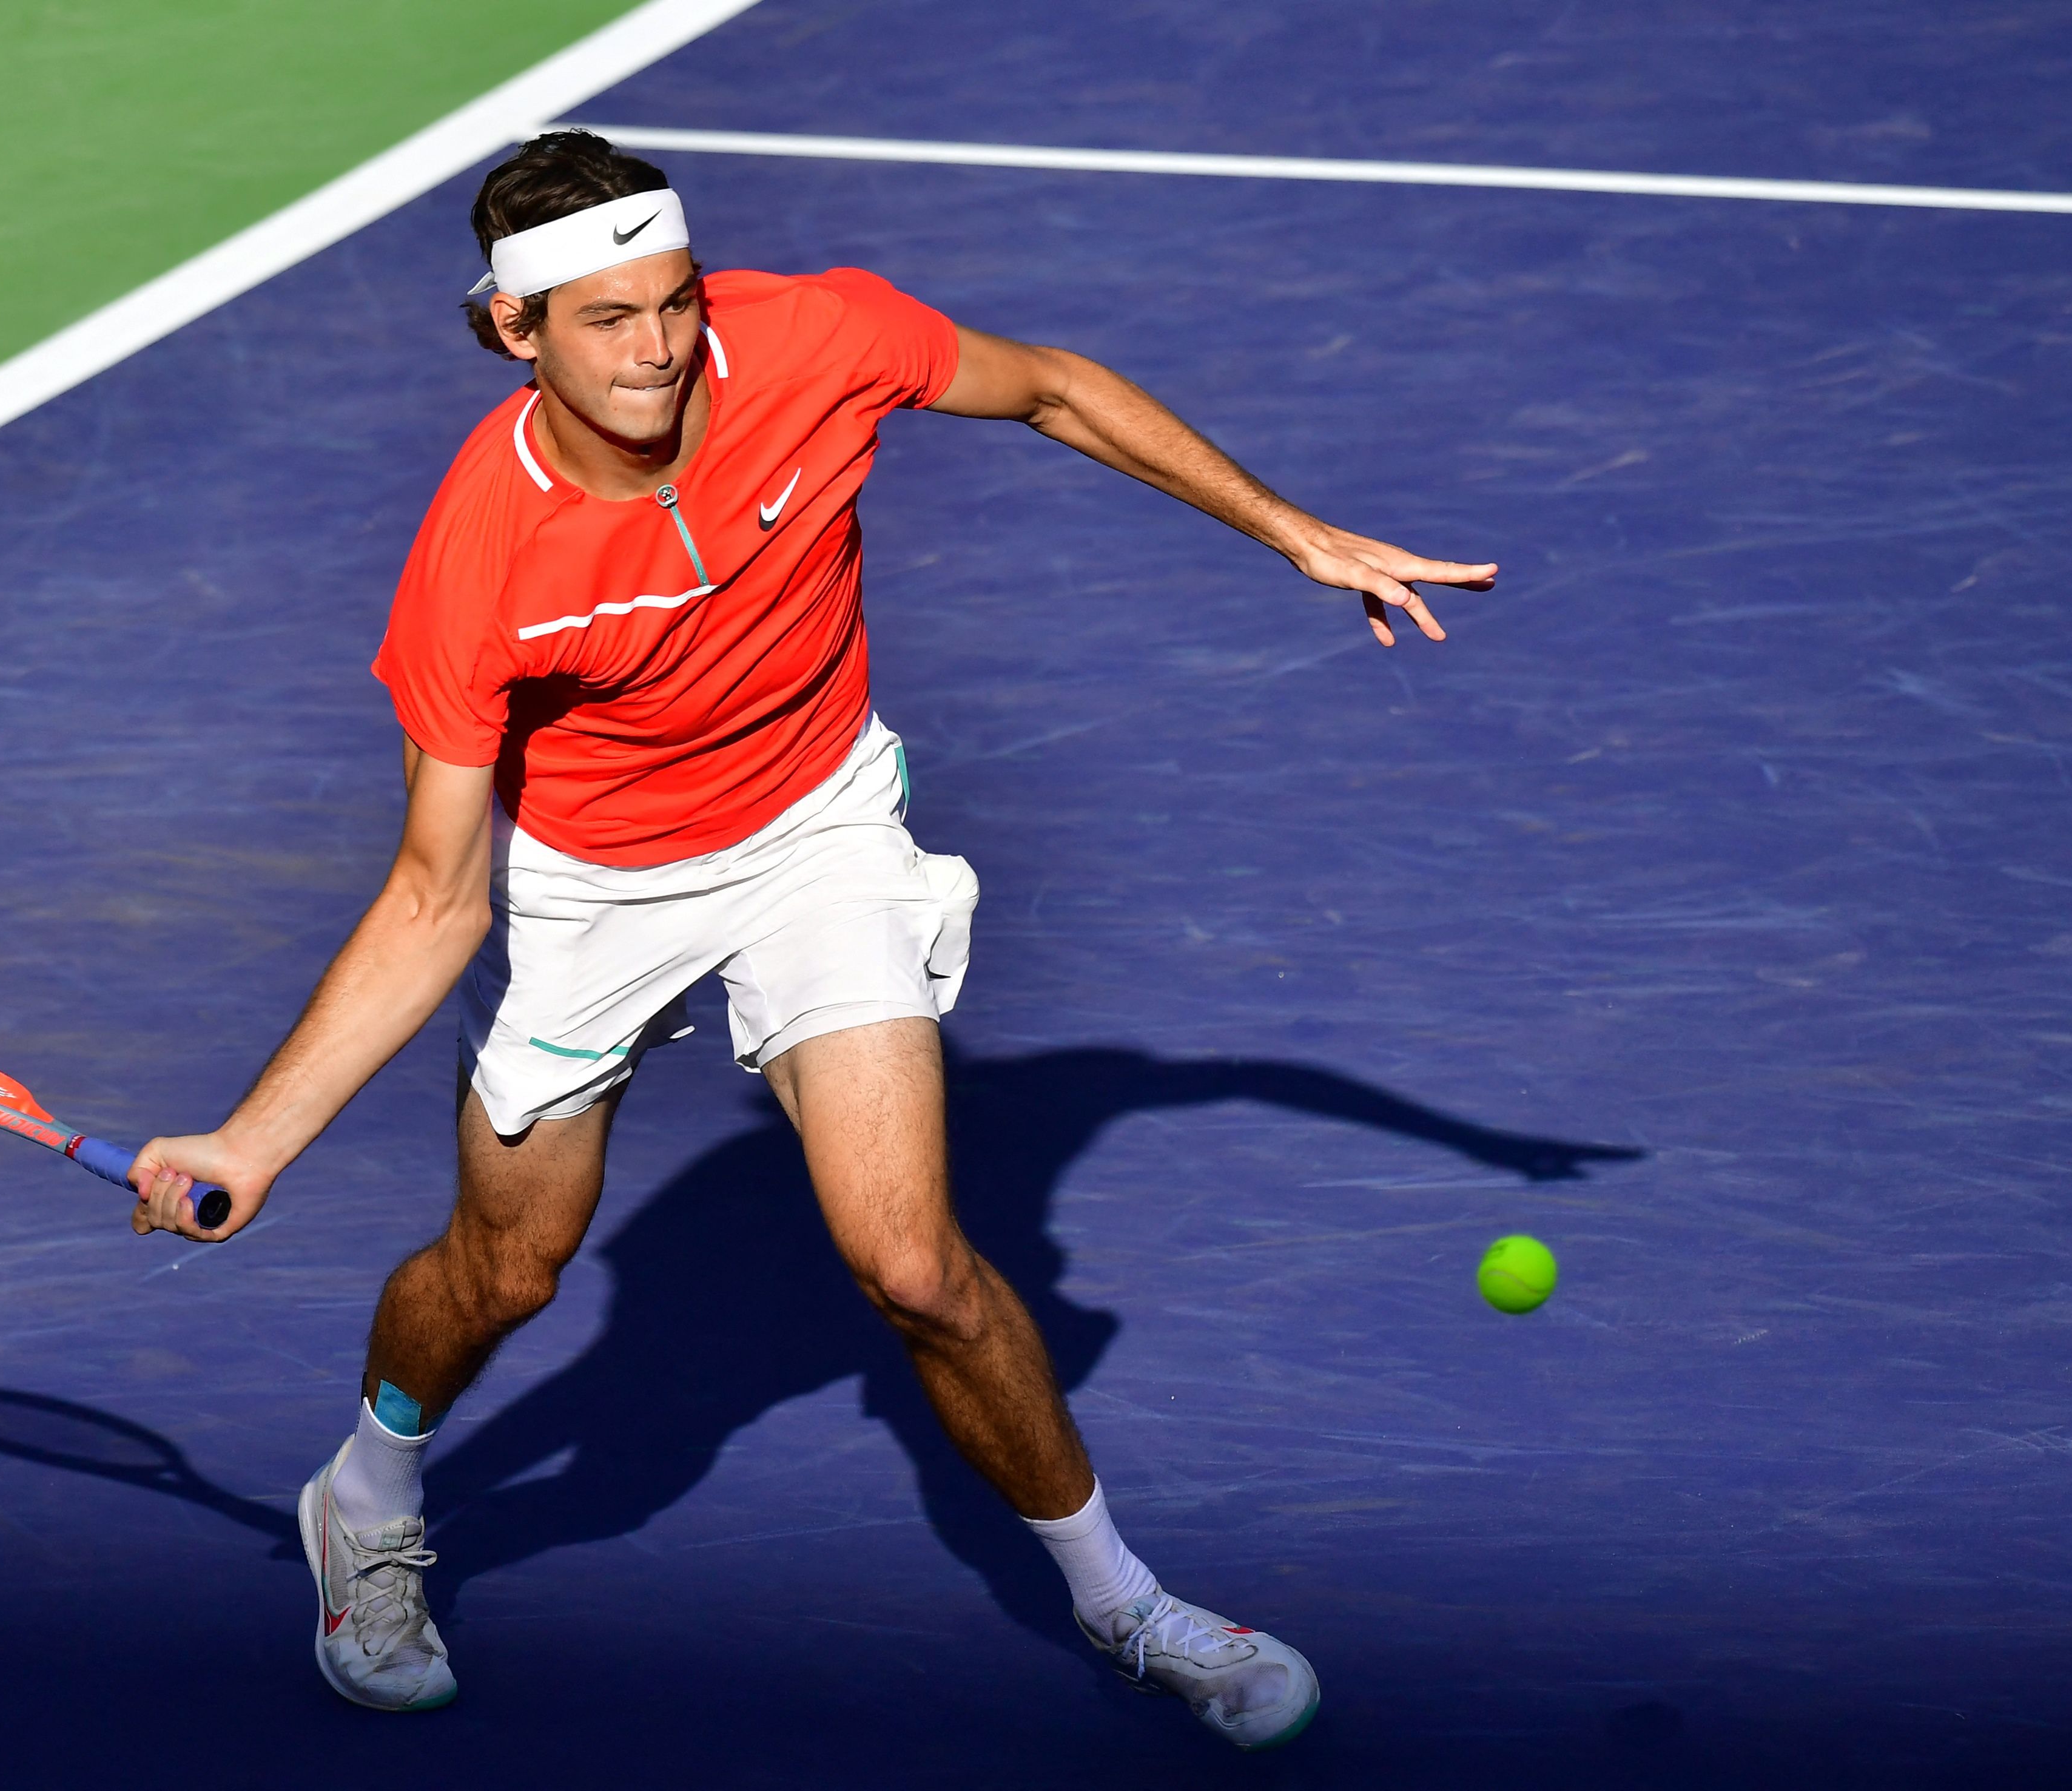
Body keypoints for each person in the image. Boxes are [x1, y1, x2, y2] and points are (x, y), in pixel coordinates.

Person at [124, 129, 1493, 1750]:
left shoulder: (817, 342)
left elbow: (1049, 387)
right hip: (600, 884)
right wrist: (256, 1138)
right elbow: (437, 893)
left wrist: (1293, 531)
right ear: (514, 331)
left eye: (674, 305)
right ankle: (367, 1490)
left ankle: (1124, 1602)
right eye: (604, 322)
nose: (655, 352)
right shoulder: (481, 558)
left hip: (815, 830)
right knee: (512, 1268)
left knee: (914, 1264)